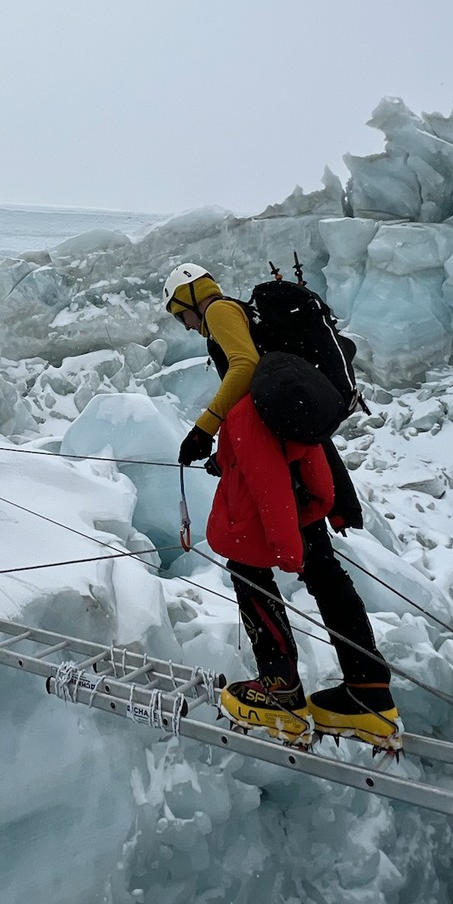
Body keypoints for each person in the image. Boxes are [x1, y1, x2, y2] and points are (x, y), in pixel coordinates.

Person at [163, 263, 400, 746]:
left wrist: (204, 427)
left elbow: (246, 369)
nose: (183, 325)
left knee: (248, 565)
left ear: (190, 299)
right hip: (289, 452)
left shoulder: (222, 311)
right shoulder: (246, 315)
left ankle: (280, 692)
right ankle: (368, 691)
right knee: (321, 569)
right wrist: (228, 453)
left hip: (280, 464)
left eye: (178, 314)